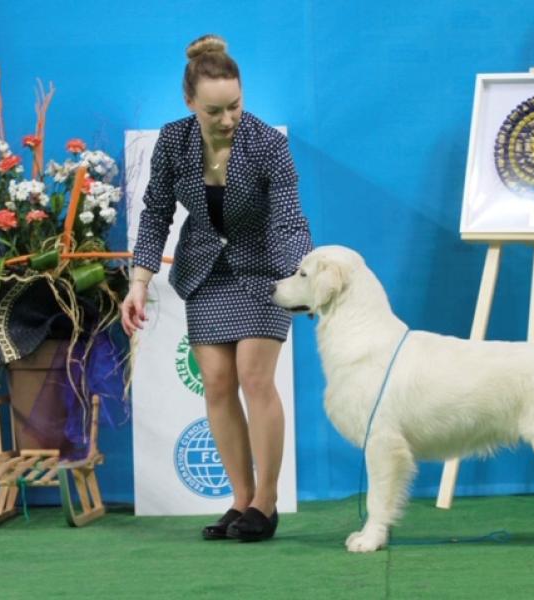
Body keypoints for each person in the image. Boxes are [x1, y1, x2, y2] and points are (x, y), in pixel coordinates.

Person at [121, 33, 312, 542]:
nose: (227, 120)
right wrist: (138, 282)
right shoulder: (173, 141)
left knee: (254, 377)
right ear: (189, 103)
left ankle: (266, 504)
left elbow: (288, 220)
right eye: (213, 111)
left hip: (265, 272)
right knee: (218, 384)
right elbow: (158, 212)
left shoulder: (268, 143)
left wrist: (300, 278)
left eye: (235, 106)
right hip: (207, 273)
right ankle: (241, 499)